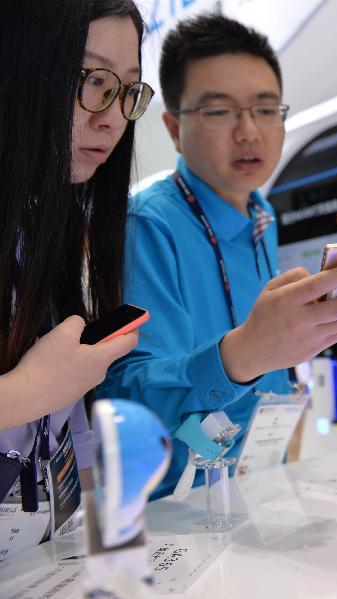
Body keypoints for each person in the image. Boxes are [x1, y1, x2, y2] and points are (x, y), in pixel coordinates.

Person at [99, 14, 337, 497]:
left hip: (257, 485)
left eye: (267, 109)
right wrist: (241, 355)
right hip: (174, 505)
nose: (249, 131)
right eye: (218, 111)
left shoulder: (262, 218)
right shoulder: (148, 225)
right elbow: (126, 399)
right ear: (173, 127)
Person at [0, 0, 150, 559]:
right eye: (91, 80)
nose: (111, 116)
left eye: (128, 89)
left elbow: (67, 423)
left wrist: (93, 541)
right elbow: (47, 390)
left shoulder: (48, 231)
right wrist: (30, 391)